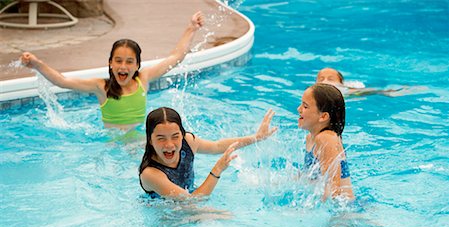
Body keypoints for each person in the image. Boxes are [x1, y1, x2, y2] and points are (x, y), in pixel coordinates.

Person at [20, 12, 204, 130]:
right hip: (113, 146)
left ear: (137, 65)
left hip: (140, 141)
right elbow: (62, 81)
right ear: (110, 63)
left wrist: (191, 28)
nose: (123, 66)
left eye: (129, 62)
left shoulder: (144, 78)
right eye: (118, 61)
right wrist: (37, 63)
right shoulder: (101, 87)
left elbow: (175, 57)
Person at [139, 107, 277, 199]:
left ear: (182, 134)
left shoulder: (188, 141)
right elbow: (191, 202)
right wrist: (217, 169)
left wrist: (256, 137)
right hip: (165, 216)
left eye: (175, 136)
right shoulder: (150, 174)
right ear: (150, 140)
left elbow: (217, 146)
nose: (169, 144)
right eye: (161, 138)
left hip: (191, 201)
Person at [297, 83, 354, 200]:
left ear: (323, 116)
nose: (299, 109)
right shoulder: (310, 138)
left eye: (305, 106)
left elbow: (334, 188)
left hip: (345, 211)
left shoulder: (326, 138)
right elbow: (310, 178)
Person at [316, 67, 411, 97]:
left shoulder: (342, 90)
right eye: (321, 79)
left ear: (341, 83)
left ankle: (389, 91)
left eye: (331, 79)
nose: (325, 81)